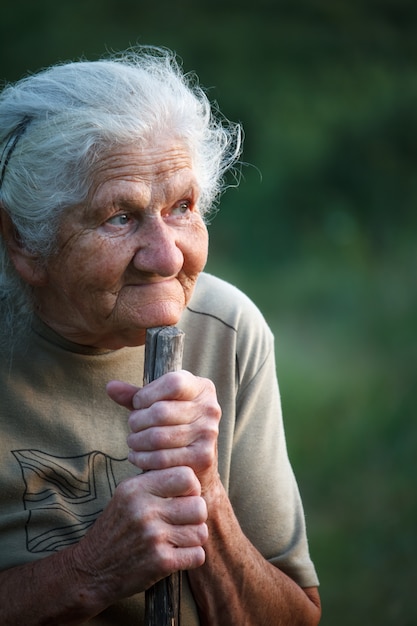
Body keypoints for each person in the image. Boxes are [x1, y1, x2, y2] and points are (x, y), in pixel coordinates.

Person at [0, 46, 320, 625]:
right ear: (23, 240)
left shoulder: (227, 329)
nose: (166, 255)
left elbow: (296, 615)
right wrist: (91, 570)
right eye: (119, 217)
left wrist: (203, 492)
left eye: (183, 207)